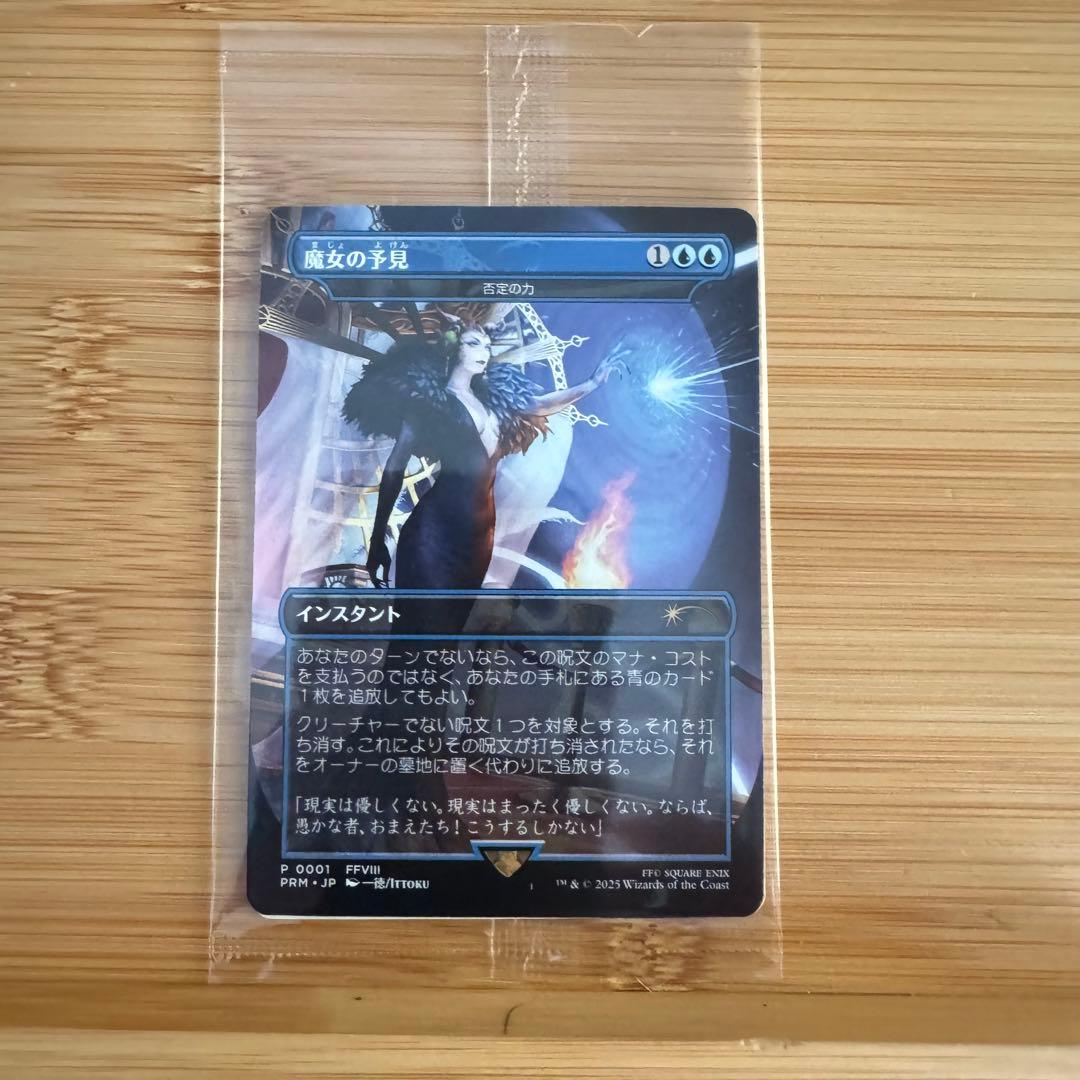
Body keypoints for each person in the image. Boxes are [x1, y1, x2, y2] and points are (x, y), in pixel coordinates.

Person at [343, 312, 624, 589]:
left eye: (487, 346)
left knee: (455, 618)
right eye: (474, 344)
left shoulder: (493, 403)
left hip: (478, 538)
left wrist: (591, 384)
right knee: (420, 614)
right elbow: (395, 469)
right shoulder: (429, 403)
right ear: (454, 349)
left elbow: (540, 405)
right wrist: (377, 539)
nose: (484, 352)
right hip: (435, 530)